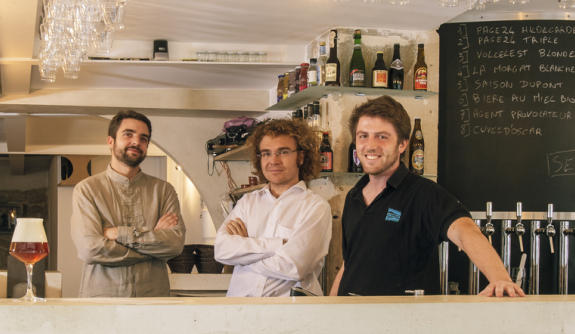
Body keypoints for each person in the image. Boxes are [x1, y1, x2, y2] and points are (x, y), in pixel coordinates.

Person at [329, 96, 524, 297]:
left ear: (402, 144)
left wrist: (500, 278)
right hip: (352, 318)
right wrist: (330, 309)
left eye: (382, 137)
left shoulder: (423, 194)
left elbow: (465, 231)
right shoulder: (353, 196)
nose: (370, 145)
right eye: (363, 136)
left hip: (407, 321)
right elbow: (349, 262)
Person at [71, 110, 185, 297]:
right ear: (111, 141)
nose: (136, 142)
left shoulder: (164, 191)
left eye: (143, 138)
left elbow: (174, 245)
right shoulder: (87, 190)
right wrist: (154, 248)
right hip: (102, 303)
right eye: (128, 134)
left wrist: (119, 234)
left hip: (153, 301)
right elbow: (90, 249)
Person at [214, 119, 332, 297]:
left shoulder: (316, 207)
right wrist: (277, 245)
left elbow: (294, 266)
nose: (273, 160)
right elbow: (222, 250)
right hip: (239, 313)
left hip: (290, 316)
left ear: (300, 157)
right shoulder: (247, 202)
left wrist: (243, 257)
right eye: (266, 153)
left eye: (283, 152)